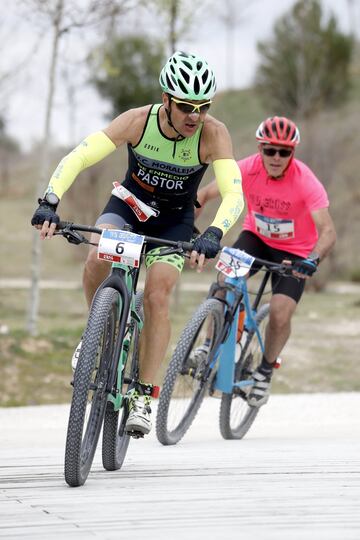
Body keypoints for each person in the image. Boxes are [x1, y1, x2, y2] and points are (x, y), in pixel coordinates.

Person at [31, 51, 244, 435]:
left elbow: (234, 194)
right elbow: (80, 157)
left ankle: (144, 393)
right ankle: (95, 332)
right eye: (185, 106)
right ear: (166, 100)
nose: (194, 115)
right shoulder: (136, 121)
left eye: (202, 106)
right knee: (97, 255)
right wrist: (49, 201)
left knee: (158, 294)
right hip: (129, 207)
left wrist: (214, 232)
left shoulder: (214, 134)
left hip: (175, 222)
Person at [196, 116, 336, 407]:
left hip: (295, 252)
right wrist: (190, 226)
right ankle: (207, 345)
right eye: (269, 150)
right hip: (256, 239)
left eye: (283, 152)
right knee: (223, 284)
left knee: (281, 313)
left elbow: (328, 231)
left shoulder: (305, 181)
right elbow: (204, 195)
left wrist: (312, 259)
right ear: (260, 149)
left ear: (292, 153)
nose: (275, 157)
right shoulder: (247, 168)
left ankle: (264, 371)